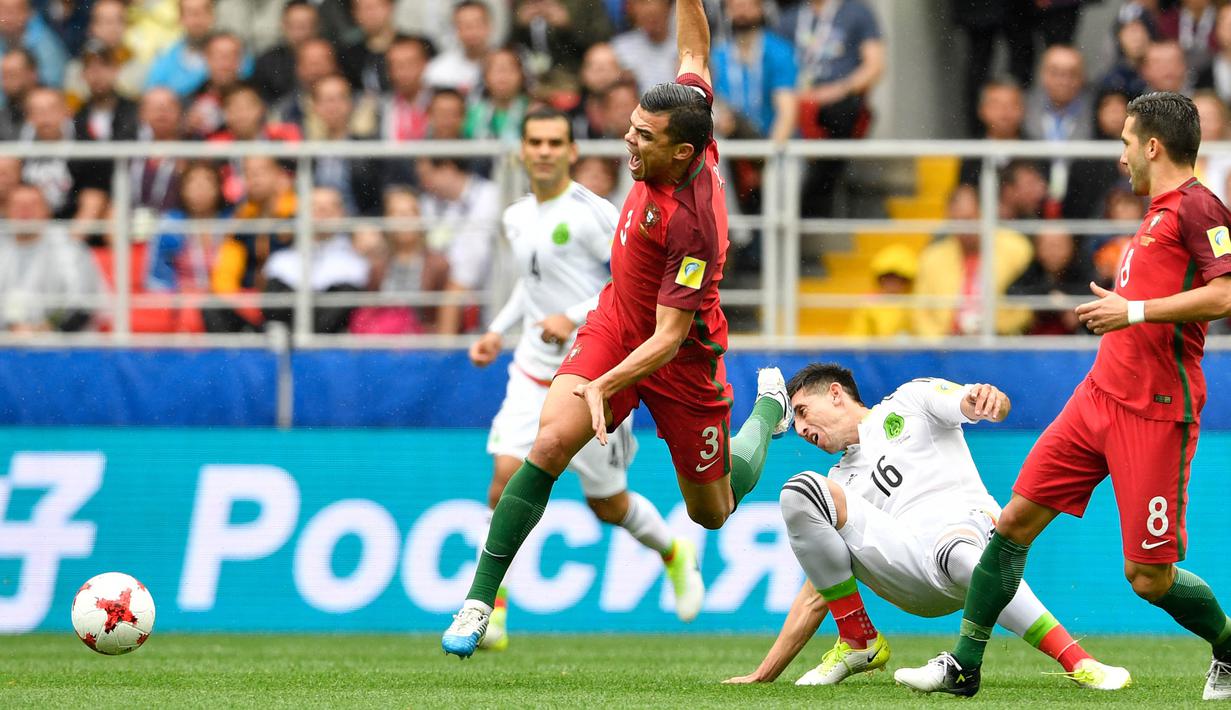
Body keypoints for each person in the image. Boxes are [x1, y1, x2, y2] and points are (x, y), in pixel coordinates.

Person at [442, 0, 791, 658]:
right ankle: (480, 601)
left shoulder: (694, 224)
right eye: (631, 127)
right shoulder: (686, 110)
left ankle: (767, 410)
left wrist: (603, 386)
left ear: (681, 151)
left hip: (679, 358)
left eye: (642, 137)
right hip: (613, 326)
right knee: (549, 444)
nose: (628, 141)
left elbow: (668, 338)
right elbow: (694, 51)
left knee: (712, 513)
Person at [897, 91, 1231, 701]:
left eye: (1126, 142)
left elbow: (1226, 293)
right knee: (1011, 524)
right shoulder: (1156, 212)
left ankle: (1229, 649)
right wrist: (1126, 314)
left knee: (1148, 578)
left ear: (1153, 146)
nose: (1121, 155)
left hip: (1155, 411)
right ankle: (964, 665)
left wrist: (1133, 311)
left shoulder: (1200, 206)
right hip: (1097, 397)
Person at [722, 363, 1131, 690]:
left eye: (802, 412)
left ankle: (1080, 662)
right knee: (800, 490)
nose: (800, 429)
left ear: (835, 393)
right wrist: (765, 673)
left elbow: (973, 402)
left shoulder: (908, 401)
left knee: (956, 552)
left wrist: (991, 400)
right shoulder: (839, 483)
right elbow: (818, 591)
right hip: (910, 574)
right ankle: (859, 640)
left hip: (970, 536)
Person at [467, 106, 705, 652]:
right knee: (503, 479)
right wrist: (499, 330)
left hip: (592, 373)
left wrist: (571, 318)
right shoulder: (516, 217)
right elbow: (530, 285)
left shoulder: (595, 214)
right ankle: (493, 612)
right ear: (521, 151)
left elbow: (628, 284)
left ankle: (674, 552)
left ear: (572, 152)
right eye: (535, 142)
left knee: (608, 505)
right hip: (532, 371)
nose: (544, 151)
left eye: (555, 142)